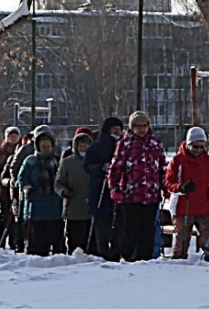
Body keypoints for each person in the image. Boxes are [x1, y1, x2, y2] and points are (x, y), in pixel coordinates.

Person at [105, 111, 168, 261]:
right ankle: (126, 256)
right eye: (138, 126)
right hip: (131, 194)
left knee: (147, 229)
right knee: (130, 228)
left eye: (144, 126)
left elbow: (162, 167)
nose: (142, 129)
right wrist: (114, 186)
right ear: (132, 127)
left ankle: (145, 257)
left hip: (151, 194)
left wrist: (165, 186)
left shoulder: (155, 143)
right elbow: (116, 167)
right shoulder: (125, 144)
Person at [164, 126, 209, 263]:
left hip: (203, 207)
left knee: (208, 239)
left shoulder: (207, 160)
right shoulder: (178, 161)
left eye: (202, 146)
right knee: (182, 242)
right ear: (188, 144)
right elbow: (168, 183)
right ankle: (179, 264)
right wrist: (181, 188)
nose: (199, 150)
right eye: (196, 146)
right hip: (182, 208)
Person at [16, 128, 67, 256]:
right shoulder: (30, 161)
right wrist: (26, 187)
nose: (46, 148)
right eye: (43, 146)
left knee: (56, 233)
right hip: (36, 204)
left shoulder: (57, 161)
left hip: (55, 204)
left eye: (48, 146)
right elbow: (21, 178)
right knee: (38, 237)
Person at [83, 116, 123, 259]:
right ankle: (102, 252)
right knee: (102, 225)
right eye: (115, 129)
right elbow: (87, 166)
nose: (118, 132)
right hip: (101, 190)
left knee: (118, 224)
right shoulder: (97, 146)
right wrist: (102, 167)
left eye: (119, 129)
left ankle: (116, 252)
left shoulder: (123, 145)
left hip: (118, 190)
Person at [58, 129, 95, 254]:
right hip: (73, 205)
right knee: (74, 235)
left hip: (91, 205)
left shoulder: (95, 161)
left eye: (86, 146)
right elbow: (59, 182)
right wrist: (64, 191)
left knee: (90, 237)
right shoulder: (67, 163)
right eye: (81, 146)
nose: (83, 148)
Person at [0, 126, 23, 249]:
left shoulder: (22, 150)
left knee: (15, 216)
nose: (13, 138)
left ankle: (14, 240)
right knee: (5, 215)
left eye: (15, 136)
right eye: (11, 136)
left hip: (17, 189)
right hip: (4, 189)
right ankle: (1, 239)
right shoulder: (1, 151)